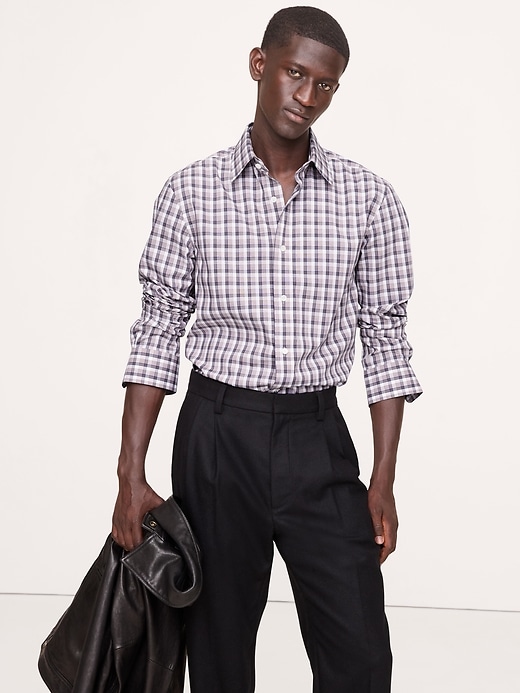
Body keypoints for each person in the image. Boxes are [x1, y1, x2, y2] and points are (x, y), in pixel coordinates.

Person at [112, 6, 422, 692]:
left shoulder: (369, 200)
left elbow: (387, 340)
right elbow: (158, 328)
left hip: (318, 435)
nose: (308, 96)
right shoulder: (190, 192)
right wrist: (130, 474)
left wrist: (382, 479)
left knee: (360, 653)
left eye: (325, 85)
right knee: (218, 650)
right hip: (218, 435)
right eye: (295, 74)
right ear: (260, 65)